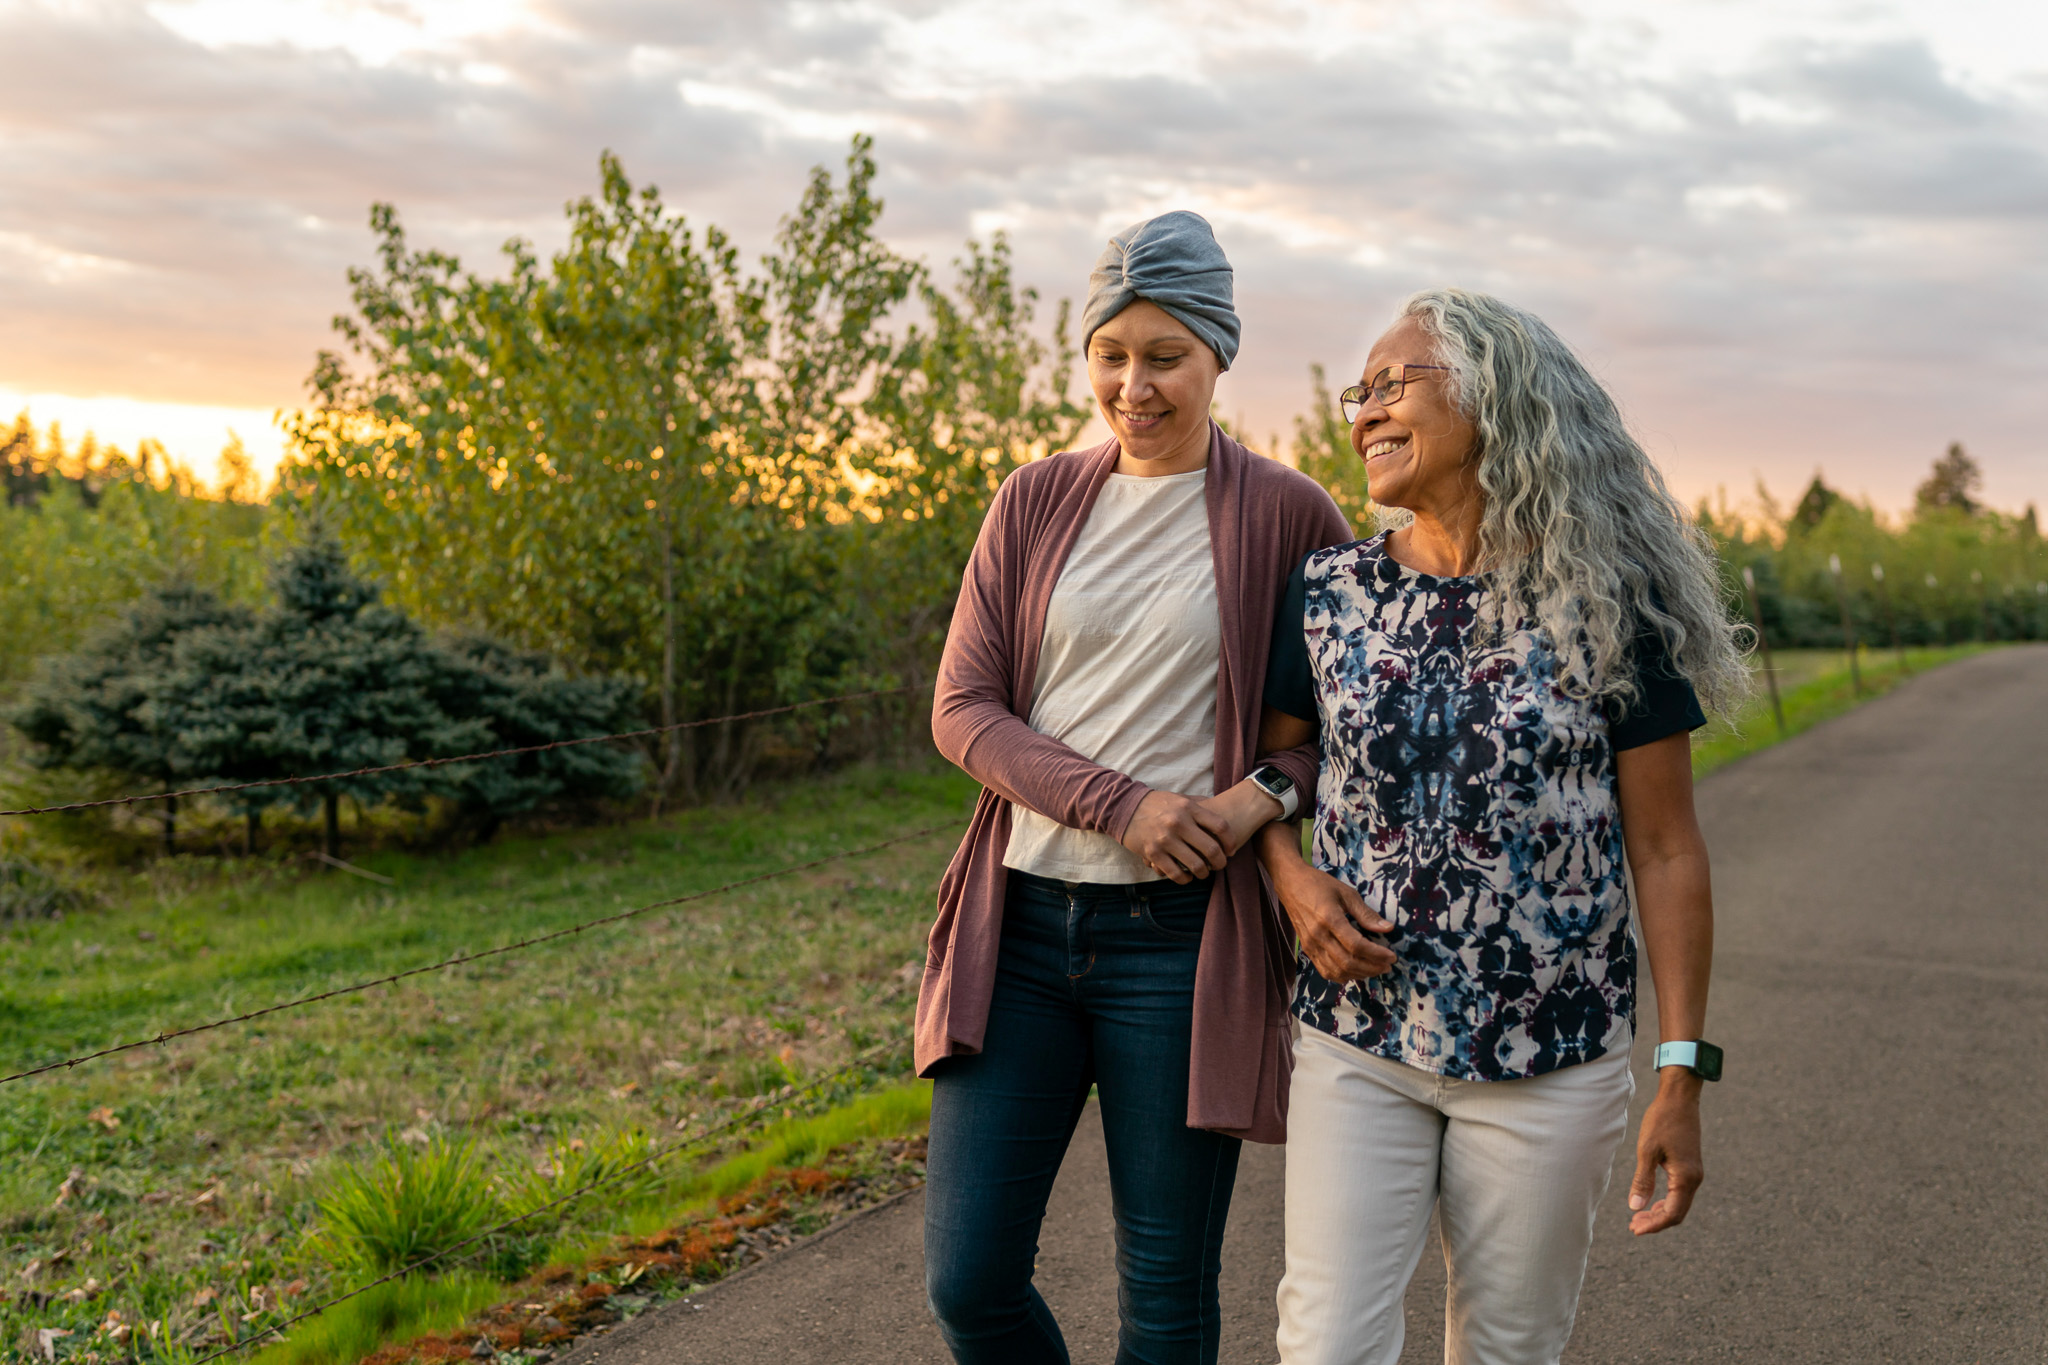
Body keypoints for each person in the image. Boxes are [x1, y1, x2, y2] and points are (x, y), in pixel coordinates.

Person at [1255, 288, 1748, 1365]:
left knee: (1506, 1351)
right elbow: (1271, 775)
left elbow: (1665, 849)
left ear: (1496, 395)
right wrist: (1286, 877)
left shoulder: (1604, 599)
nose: (1364, 411)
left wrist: (1680, 1071)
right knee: (1326, 1344)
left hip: (1551, 1056)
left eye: (1395, 382)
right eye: (1360, 391)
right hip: (1360, 1037)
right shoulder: (1329, 593)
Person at [918, 211, 1351, 1365]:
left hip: (1180, 944)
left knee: (1163, 1293)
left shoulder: (1289, 515)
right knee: (968, 1281)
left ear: (1218, 354)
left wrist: (1259, 796)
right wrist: (1126, 804)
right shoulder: (1034, 499)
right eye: (1111, 355)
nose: (1134, 384)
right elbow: (964, 710)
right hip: (1017, 929)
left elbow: (1340, 731)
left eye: (1165, 356)